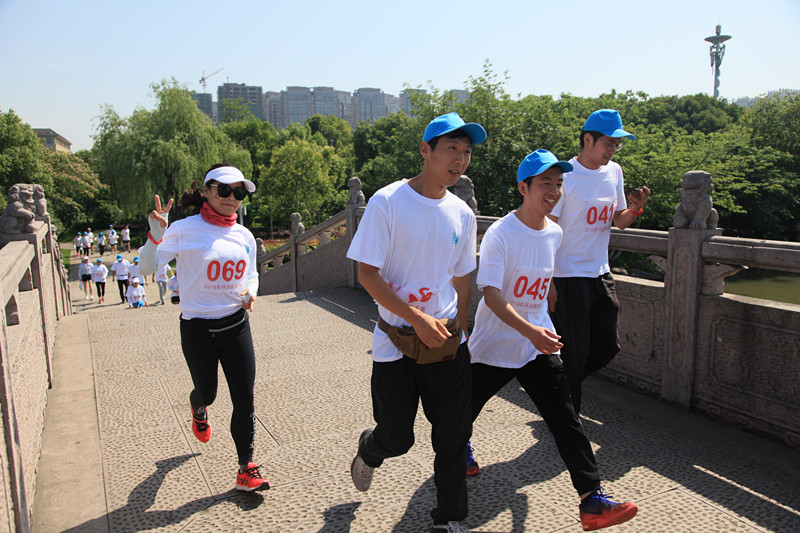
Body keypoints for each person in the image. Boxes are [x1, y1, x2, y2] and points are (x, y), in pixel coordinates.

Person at [467, 150, 638, 531]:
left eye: (559, 184)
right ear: (523, 187)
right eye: (546, 183)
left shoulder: (555, 232)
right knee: (462, 413)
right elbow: (491, 295)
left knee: (566, 419)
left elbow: (543, 271)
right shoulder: (500, 234)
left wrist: (547, 296)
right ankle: (460, 446)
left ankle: (591, 500)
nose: (554, 191)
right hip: (495, 347)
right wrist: (529, 329)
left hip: (535, 347)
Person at [346, 112, 484, 533]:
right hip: (396, 340)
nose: (459, 160)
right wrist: (416, 317)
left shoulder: (462, 213)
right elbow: (366, 273)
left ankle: (449, 519)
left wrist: (460, 327)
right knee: (397, 437)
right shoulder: (388, 202)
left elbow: (462, 276)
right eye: (451, 149)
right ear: (426, 150)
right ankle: (370, 450)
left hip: (446, 341)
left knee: (453, 436)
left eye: (466, 152)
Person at [138, 163, 268, 492]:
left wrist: (250, 292)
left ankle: (246, 468)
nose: (231, 197)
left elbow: (251, 274)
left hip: (236, 326)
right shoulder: (184, 229)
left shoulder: (243, 234)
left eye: (239, 192)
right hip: (197, 330)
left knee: (245, 399)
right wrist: (155, 235)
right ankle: (198, 406)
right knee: (208, 393)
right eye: (224, 190)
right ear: (207, 192)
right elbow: (146, 268)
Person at [548, 109, 651, 414]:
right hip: (567, 275)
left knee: (608, 346)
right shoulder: (565, 176)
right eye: (608, 143)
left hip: (600, 272)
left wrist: (635, 209)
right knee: (575, 351)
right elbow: (547, 229)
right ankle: (569, 419)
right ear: (588, 140)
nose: (613, 150)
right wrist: (547, 280)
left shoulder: (614, 171)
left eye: (617, 144)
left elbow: (619, 221)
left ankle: (556, 386)